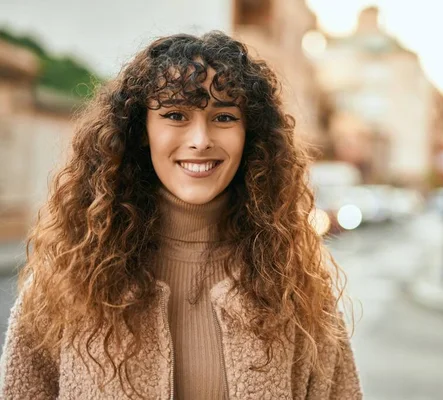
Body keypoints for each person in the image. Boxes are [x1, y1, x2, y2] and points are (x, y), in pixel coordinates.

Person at [0, 31, 361, 399]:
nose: (201, 139)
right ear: (142, 131)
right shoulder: (67, 276)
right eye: (175, 115)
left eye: (223, 116)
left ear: (249, 134)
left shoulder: (295, 285)